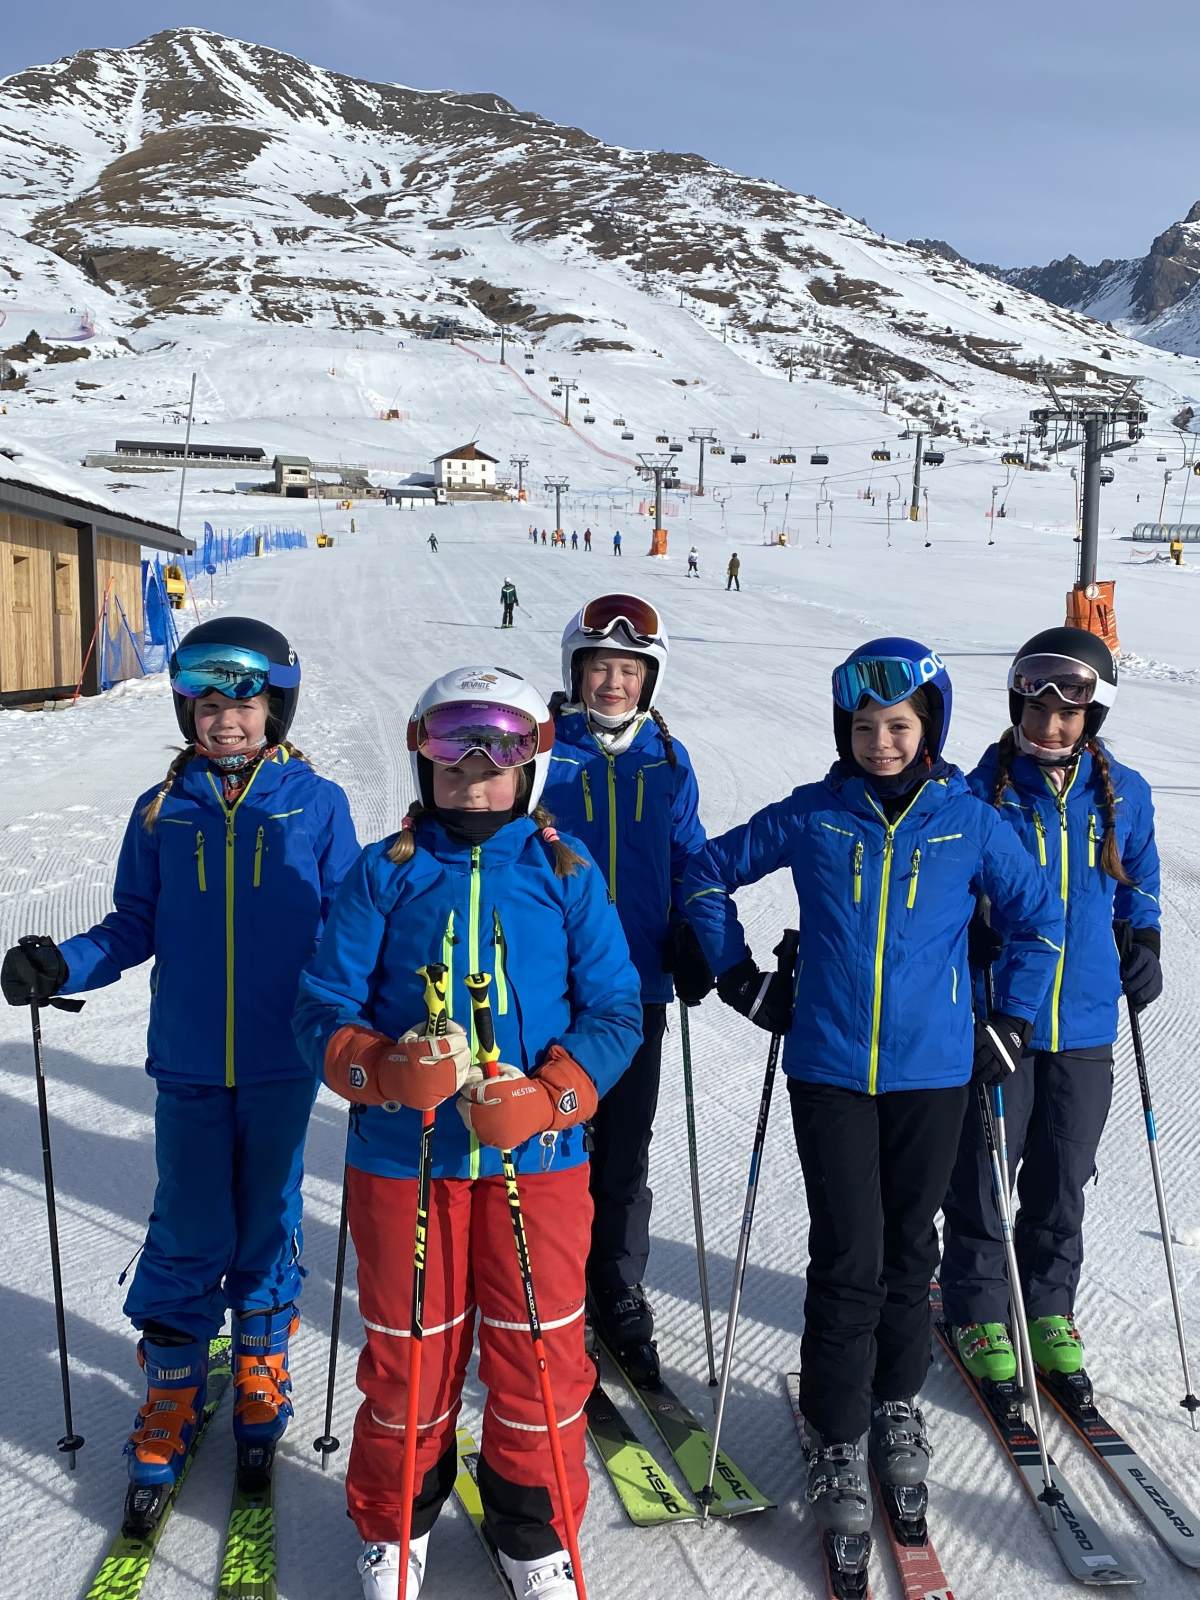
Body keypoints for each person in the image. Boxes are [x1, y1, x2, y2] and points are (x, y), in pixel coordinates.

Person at [680, 638, 1062, 1542]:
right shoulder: (816, 813)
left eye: (897, 726)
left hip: (935, 1073)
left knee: (910, 1250)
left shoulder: (969, 822)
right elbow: (702, 872)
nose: (879, 744)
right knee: (849, 1255)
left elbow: (1039, 920)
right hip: (829, 1070)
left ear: (931, 726)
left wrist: (1011, 1021)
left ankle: (895, 1401)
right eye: (862, 727)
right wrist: (739, 978)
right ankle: (836, 1426)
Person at [1, 618, 360, 1525]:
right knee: (189, 1222)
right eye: (206, 703)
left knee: (269, 1214)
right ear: (185, 711)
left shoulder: (316, 805)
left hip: (284, 1060)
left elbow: (350, 923)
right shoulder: (161, 812)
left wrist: (381, 1005)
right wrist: (63, 965)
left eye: (244, 702)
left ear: (275, 708)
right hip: (191, 1061)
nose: (225, 719)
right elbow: (133, 924)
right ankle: (172, 1383)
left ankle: (261, 1361)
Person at [294, 667, 641, 1600]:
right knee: (412, 1351)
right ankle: (396, 1523)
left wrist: (553, 1097)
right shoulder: (387, 870)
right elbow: (320, 1010)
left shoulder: (565, 873)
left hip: (540, 1165)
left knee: (540, 1351)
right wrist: (381, 1070)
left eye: (495, 763)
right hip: (407, 1163)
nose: (474, 782)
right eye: (453, 761)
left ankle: (534, 1529)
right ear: (424, 763)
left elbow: (616, 1012)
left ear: (531, 767)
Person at [941, 628, 1161, 1388]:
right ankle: (976, 1306)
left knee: (1064, 1172)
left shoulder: (1124, 792)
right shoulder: (979, 793)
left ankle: (1046, 1304)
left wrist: (1145, 936)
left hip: (1087, 1017)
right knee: (983, 1167)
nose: (1050, 725)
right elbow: (947, 888)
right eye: (1035, 709)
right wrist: (967, 938)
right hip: (1004, 1011)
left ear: (1092, 716)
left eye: (1068, 713)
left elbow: (1140, 879)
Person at [541, 595, 710, 1383]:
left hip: (638, 986)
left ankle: (614, 1280)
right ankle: (556, 1284)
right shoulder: (542, 752)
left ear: (651, 678)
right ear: (576, 671)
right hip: (554, 987)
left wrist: (699, 934)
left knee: (624, 1148)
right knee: (557, 1138)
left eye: (630, 670)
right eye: (601, 668)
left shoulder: (667, 761)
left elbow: (691, 860)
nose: (614, 683)